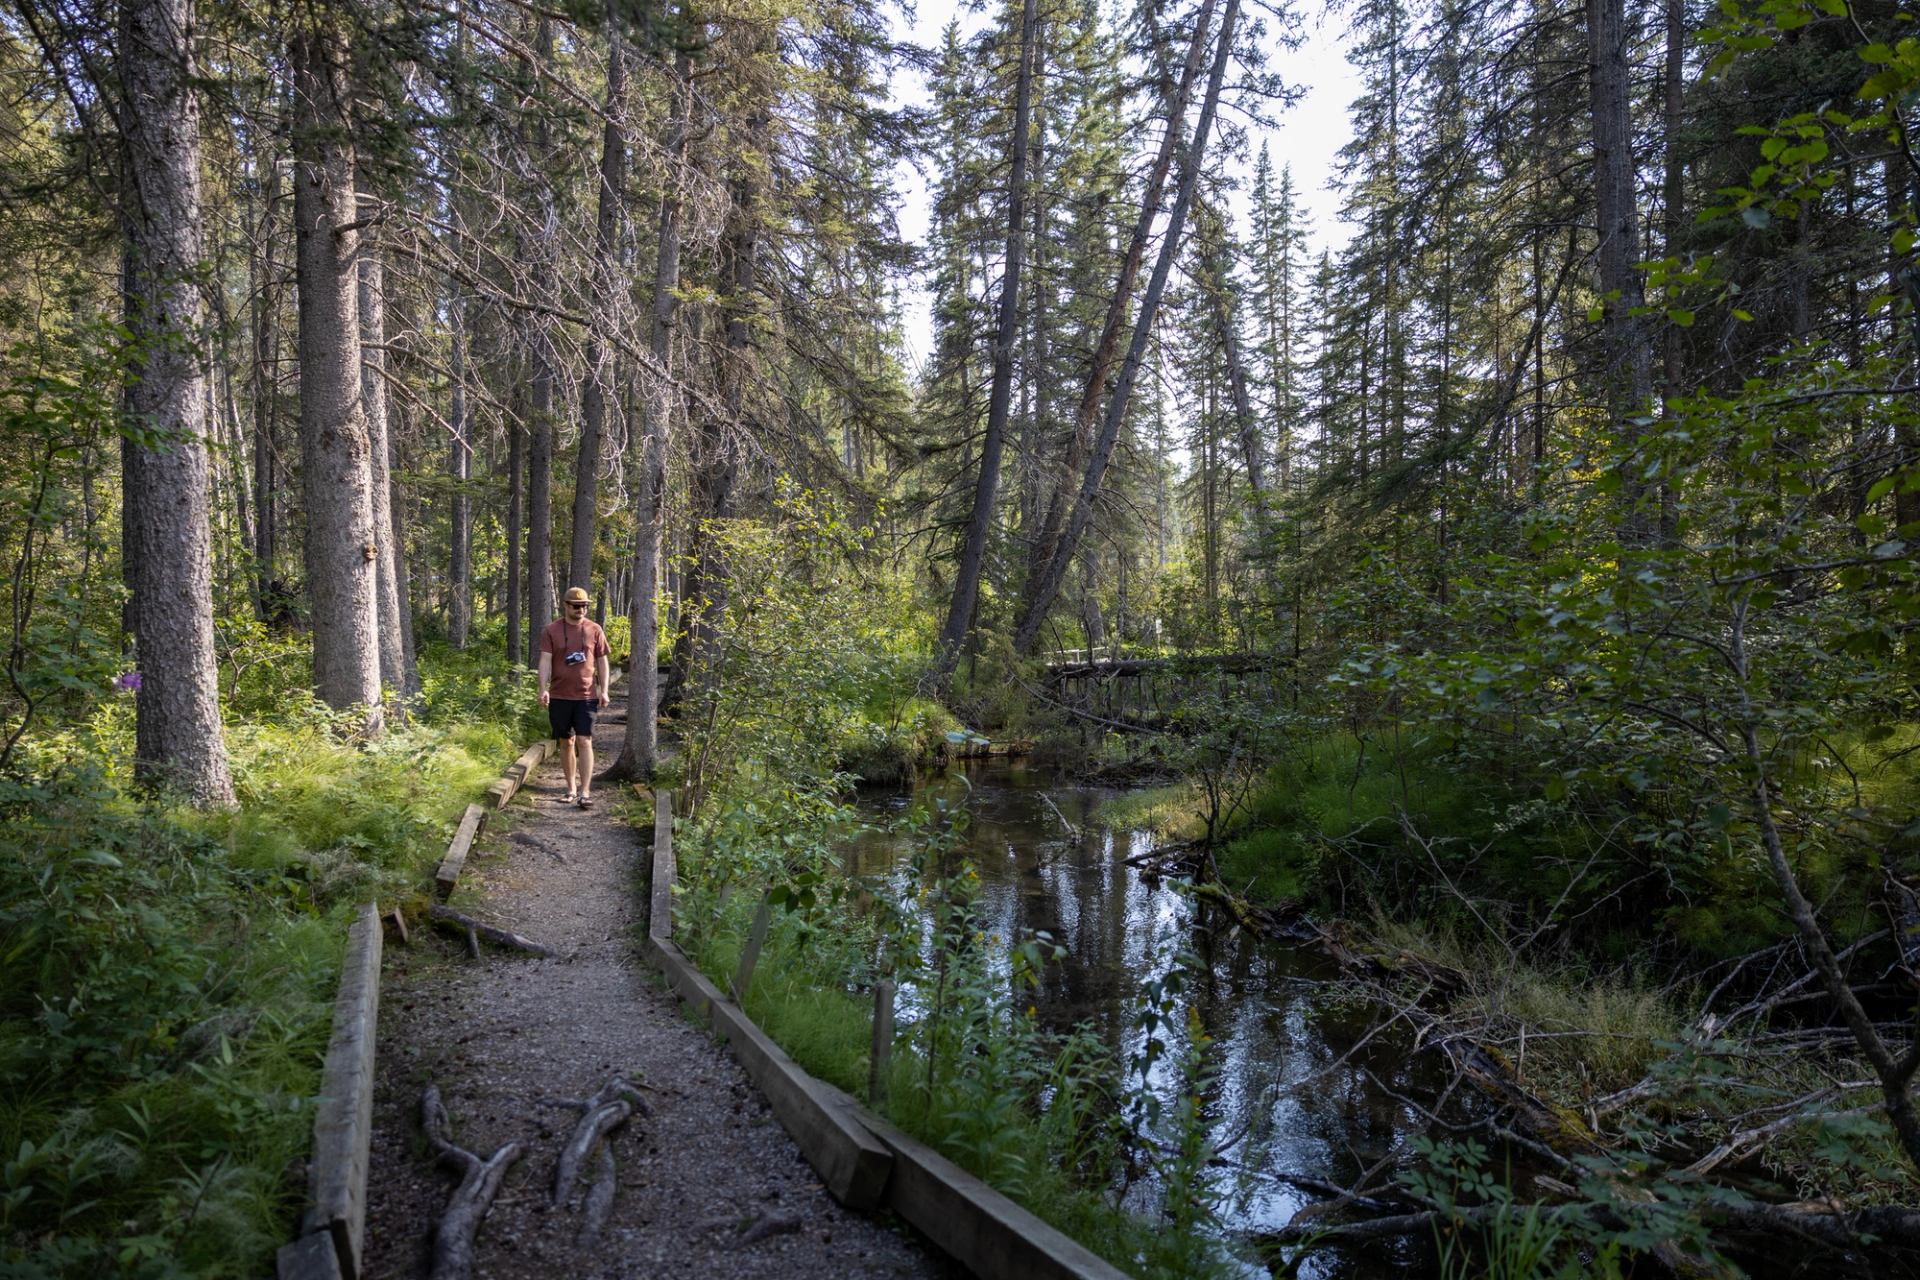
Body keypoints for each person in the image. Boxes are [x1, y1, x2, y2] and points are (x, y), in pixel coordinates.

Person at [538, 586, 611, 807]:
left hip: (586, 696)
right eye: (576, 606)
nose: (581, 609)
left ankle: (585, 792)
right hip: (559, 695)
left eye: (585, 606)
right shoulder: (551, 630)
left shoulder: (594, 629)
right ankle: (570, 788)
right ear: (566, 605)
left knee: (584, 740)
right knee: (566, 741)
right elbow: (545, 660)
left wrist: (604, 690)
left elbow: (602, 661)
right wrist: (543, 688)